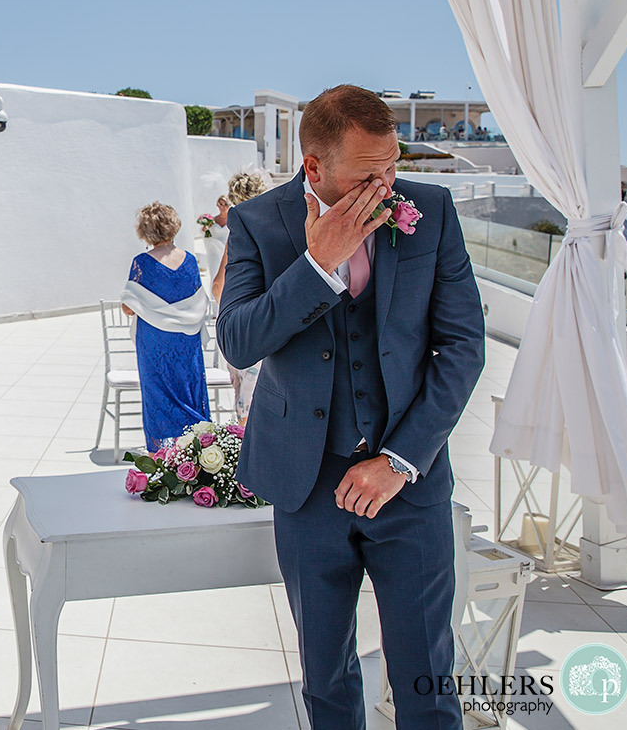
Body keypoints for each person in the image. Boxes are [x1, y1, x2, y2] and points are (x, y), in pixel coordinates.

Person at [217, 85, 484, 730]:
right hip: (306, 488)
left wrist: (400, 461)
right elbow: (239, 341)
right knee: (327, 681)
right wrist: (319, 262)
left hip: (410, 489)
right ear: (315, 167)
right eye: (370, 174)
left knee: (427, 680)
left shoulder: (432, 211)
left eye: (392, 166)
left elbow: (463, 347)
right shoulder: (258, 223)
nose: (389, 186)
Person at [120, 202, 210, 451]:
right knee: (189, 391)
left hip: (155, 344)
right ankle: (196, 451)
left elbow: (129, 307)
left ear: (145, 231)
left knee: (157, 396)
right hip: (186, 341)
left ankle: (160, 456)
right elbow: (197, 300)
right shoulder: (190, 261)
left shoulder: (142, 263)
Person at [211, 171, 269, 424]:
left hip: (245, 332)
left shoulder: (240, 234)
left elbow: (218, 287)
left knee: (246, 414)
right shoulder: (281, 228)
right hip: (270, 331)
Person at [202, 195, 230, 289]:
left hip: (227, 250)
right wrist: (205, 230)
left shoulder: (232, 219)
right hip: (214, 251)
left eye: (225, 204)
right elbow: (206, 234)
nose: (222, 207)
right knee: (214, 272)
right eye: (220, 204)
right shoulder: (212, 220)